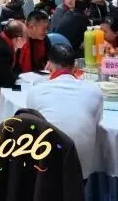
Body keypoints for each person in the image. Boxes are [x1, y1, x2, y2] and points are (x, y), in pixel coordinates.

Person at [24, 44, 104, 177]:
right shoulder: (95, 91)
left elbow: (33, 125)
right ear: (75, 66)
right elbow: (97, 122)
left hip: (44, 165)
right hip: (81, 168)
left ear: (49, 65)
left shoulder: (35, 91)